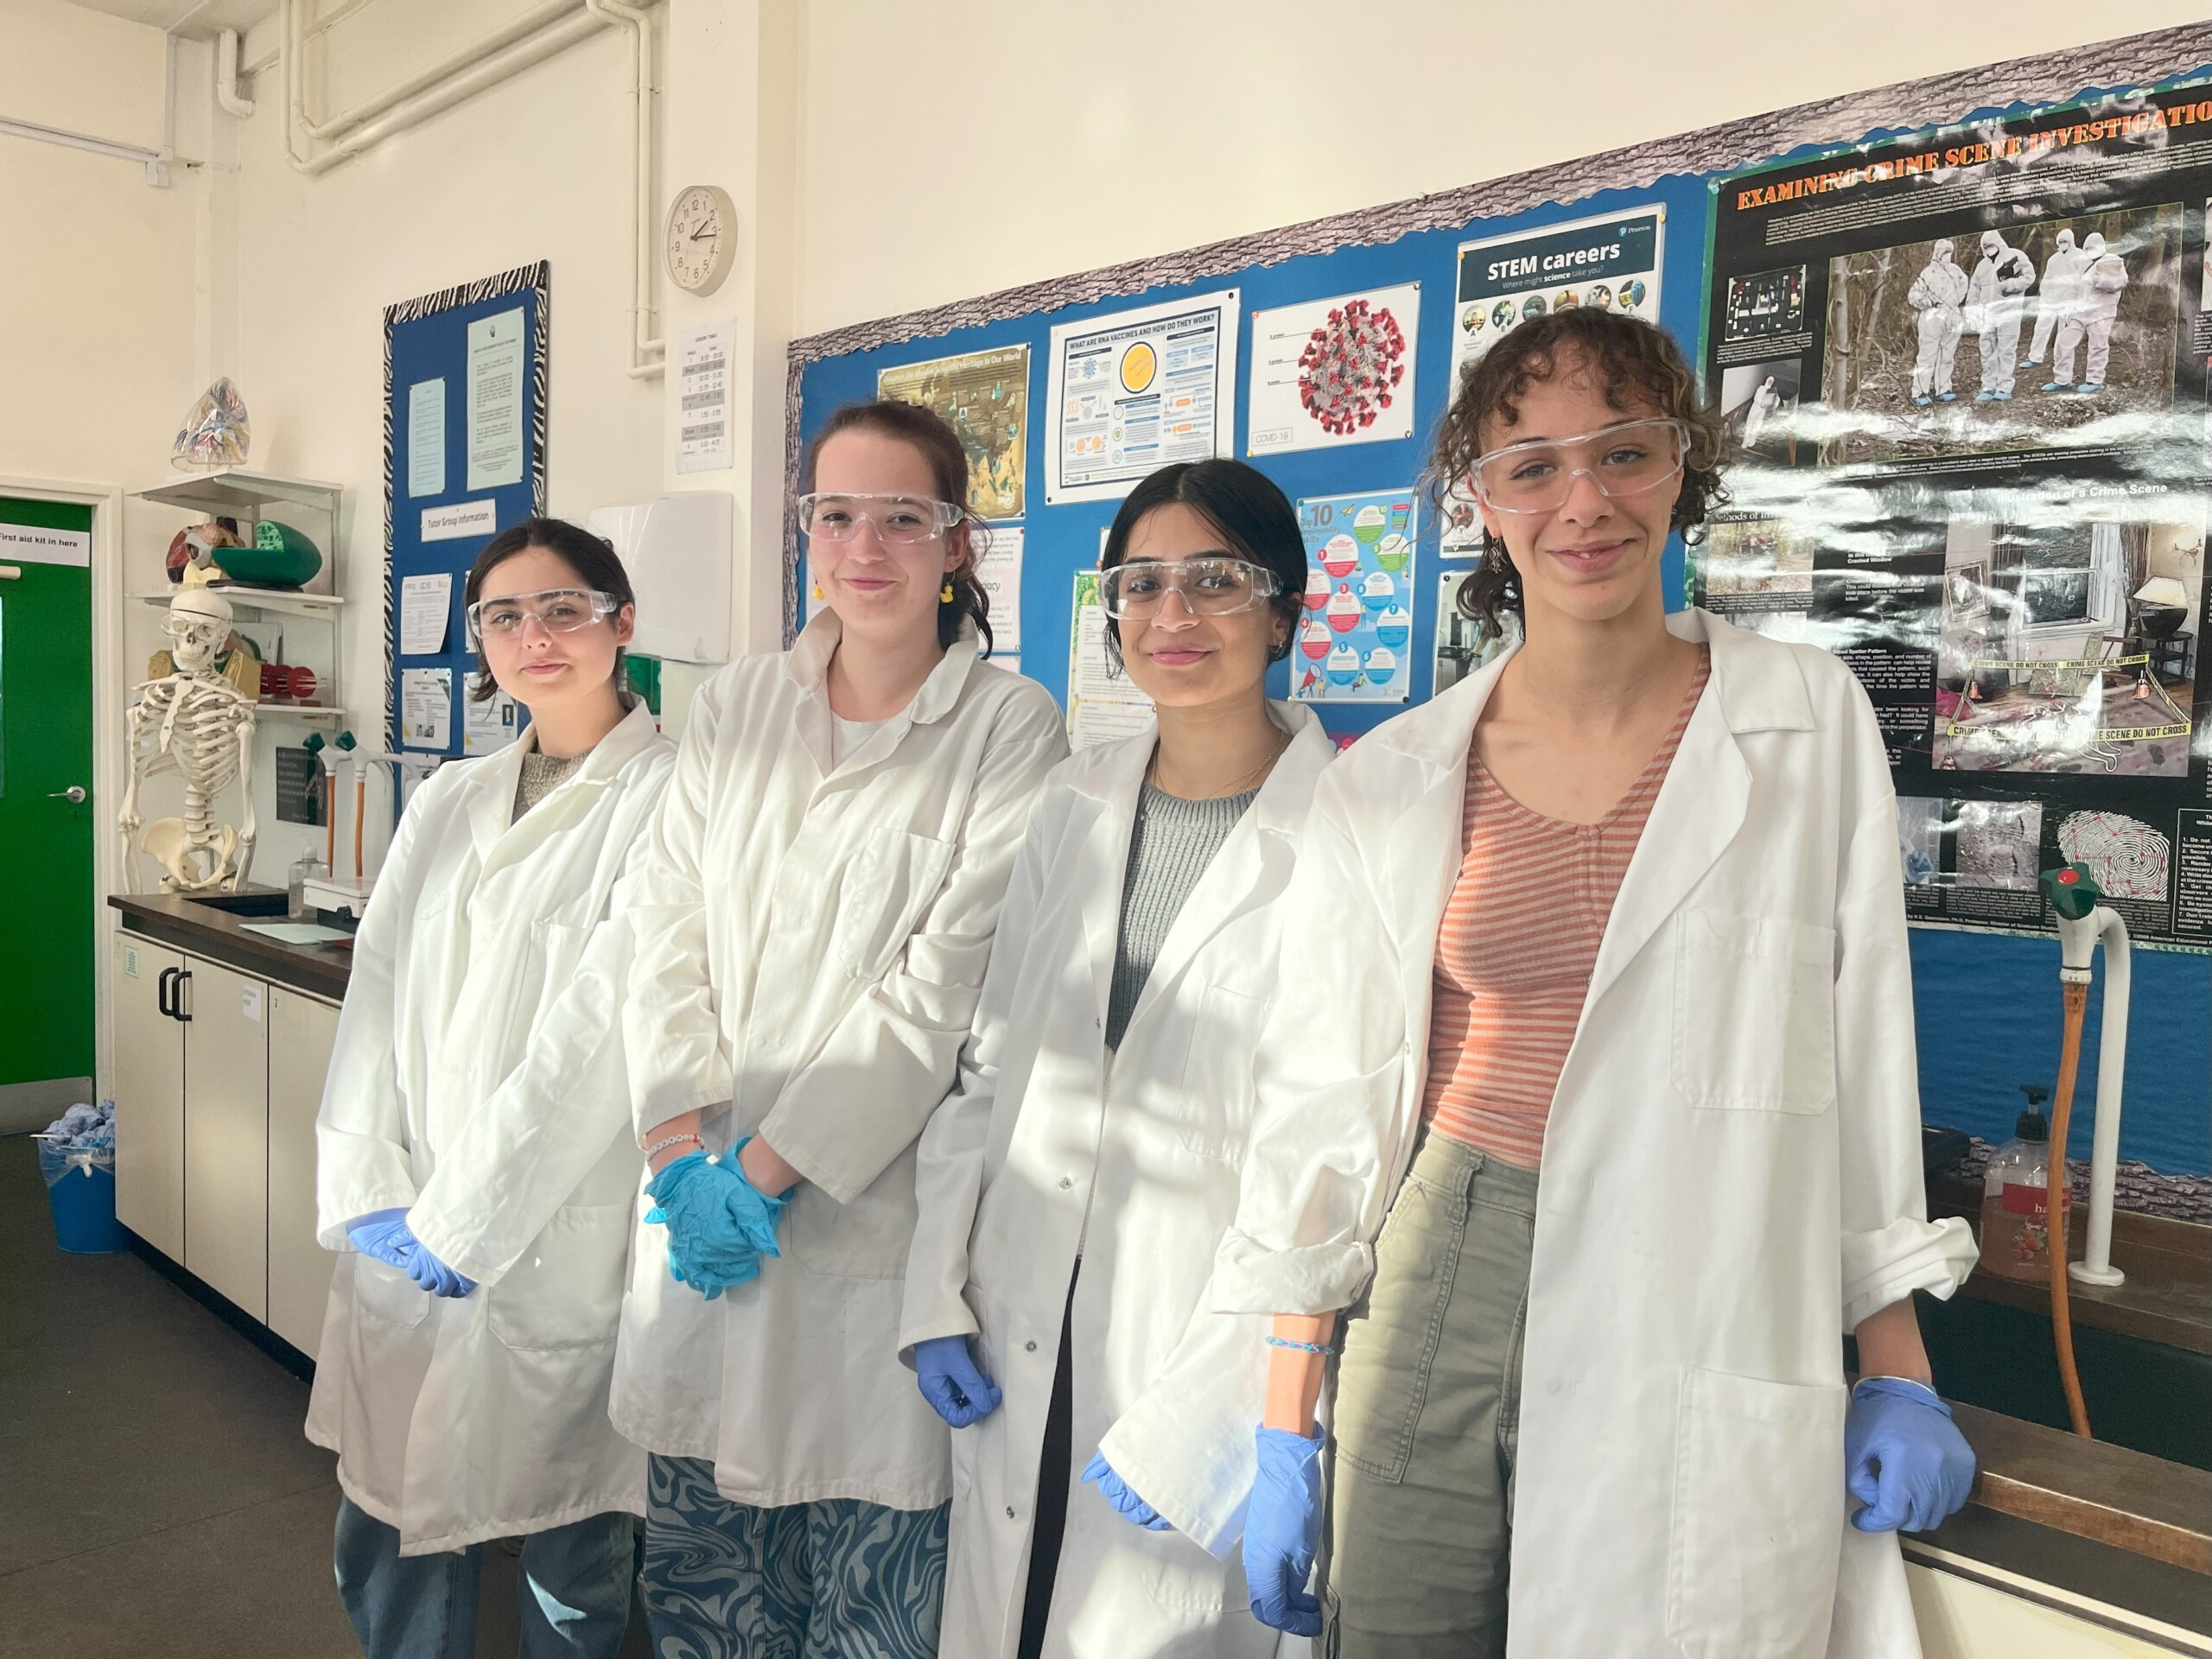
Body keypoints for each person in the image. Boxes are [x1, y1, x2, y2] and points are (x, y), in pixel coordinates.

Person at [1213, 308, 1980, 1656]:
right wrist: (1285, 1418)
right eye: (1533, 466)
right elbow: (1324, 1104)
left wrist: (1895, 1362)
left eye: (1624, 452)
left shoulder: (1803, 720)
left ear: (1681, 465)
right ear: (1483, 500)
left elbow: (1857, 1053)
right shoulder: (1392, 774)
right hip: (1442, 1267)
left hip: (1701, 1263)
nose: (1585, 502)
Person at [612, 398, 1067, 1658]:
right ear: (806, 526)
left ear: (957, 543)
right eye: (837, 514)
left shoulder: (1008, 729)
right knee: (707, 1601)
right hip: (695, 1204)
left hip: (856, 1232)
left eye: (903, 518)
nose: (865, 547)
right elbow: (662, 934)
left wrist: (756, 1178)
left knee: (865, 1615)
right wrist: (677, 1163)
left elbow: (941, 993)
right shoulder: (737, 705)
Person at [902, 459, 1334, 1659]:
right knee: (1018, 1608)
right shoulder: (1071, 802)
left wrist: (1222, 1414)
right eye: (1141, 585)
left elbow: (1338, 1153)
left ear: (1285, 611)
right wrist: (937, 1283)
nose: (1173, 616)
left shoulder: (1355, 828)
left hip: (1203, 1351)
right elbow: (986, 1067)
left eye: (1216, 581)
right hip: (1017, 1309)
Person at [310, 518, 673, 1658]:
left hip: (558, 1234)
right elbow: (376, 988)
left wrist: (469, 1217)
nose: (537, 637)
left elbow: (603, 1028)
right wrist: (369, 1179)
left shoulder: (674, 797)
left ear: (623, 621)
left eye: (565, 608)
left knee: (574, 1550)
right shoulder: (450, 797)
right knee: (385, 1527)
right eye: (505, 616)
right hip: (401, 1215)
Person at [2046, 231, 2129, 394]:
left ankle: (2095, 380)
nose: (2089, 251)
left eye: (2092, 247)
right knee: (2063, 342)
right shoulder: (2085, 264)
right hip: (2080, 311)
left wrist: (2101, 278)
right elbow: (2076, 287)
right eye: (2087, 248)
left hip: (2102, 312)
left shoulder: (2112, 259)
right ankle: (2062, 380)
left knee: (2098, 345)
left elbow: (2119, 282)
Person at [1966, 230, 2035, 401]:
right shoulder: (1982, 265)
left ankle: (2004, 386)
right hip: (1988, 314)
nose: (1989, 249)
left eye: (1991, 245)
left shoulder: (2016, 256)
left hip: (2009, 312)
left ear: (1999, 243)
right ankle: (1988, 386)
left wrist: (2009, 285)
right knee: (1987, 350)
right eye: (1985, 246)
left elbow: (2029, 277)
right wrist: (1972, 309)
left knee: (2006, 350)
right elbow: (1974, 288)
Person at [1908, 238, 1967, 406]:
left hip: (1952, 317)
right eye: (1944, 252)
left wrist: (1953, 302)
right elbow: (1913, 295)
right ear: (1937, 253)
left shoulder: (1956, 271)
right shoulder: (1928, 273)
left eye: (1949, 252)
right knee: (1927, 355)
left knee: (1947, 355)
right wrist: (1930, 302)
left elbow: (1964, 285)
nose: (1947, 255)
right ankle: (1919, 392)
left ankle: (1943, 389)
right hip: (1931, 318)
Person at [2022, 227, 2087, 368]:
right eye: (2061, 241)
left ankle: (2062, 362)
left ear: (2071, 241)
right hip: (2050, 300)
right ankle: (2035, 358)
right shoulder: (2054, 259)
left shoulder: (2080, 256)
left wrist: (2077, 299)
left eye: (2065, 241)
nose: (2063, 243)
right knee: (2041, 328)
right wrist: (2043, 295)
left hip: (2068, 301)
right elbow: (2046, 278)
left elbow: (2083, 279)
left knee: (2065, 332)